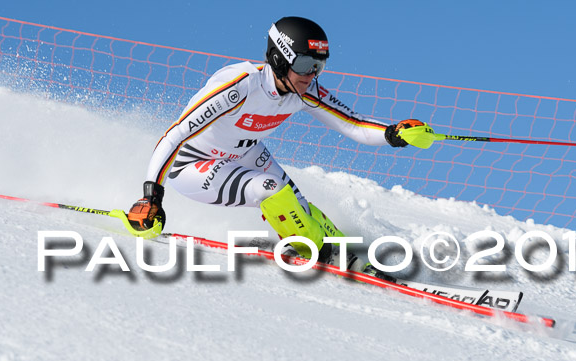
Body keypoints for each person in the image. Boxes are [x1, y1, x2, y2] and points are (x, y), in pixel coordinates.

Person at [127, 16, 425, 272]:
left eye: (319, 66)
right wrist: (151, 196)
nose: (312, 75)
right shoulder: (239, 86)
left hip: (244, 153)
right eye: (307, 64)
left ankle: (341, 253)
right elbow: (175, 135)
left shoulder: (303, 90)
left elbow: (354, 124)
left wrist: (392, 133)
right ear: (280, 58)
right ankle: (316, 253)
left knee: (298, 205)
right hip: (193, 164)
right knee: (272, 188)